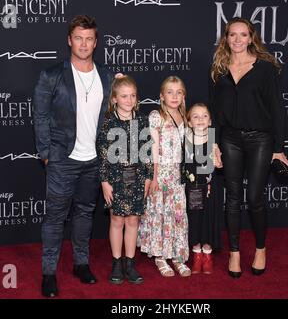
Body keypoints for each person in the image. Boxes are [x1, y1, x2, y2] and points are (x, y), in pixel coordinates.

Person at [33, 15, 112, 297]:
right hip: (62, 159)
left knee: (84, 214)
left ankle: (81, 264)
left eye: (89, 38)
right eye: (78, 38)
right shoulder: (51, 75)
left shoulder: (106, 75)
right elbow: (40, 116)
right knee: (55, 217)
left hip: (93, 160)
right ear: (69, 40)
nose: (83, 43)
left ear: (95, 42)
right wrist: (46, 154)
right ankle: (48, 272)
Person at [209, 17, 288, 278]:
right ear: (226, 38)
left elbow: (277, 110)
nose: (237, 40)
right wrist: (214, 144)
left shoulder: (265, 69)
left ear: (251, 38)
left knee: (255, 197)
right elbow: (215, 112)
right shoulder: (219, 69)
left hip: (260, 139)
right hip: (230, 139)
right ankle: (234, 252)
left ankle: (260, 248)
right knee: (232, 198)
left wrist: (278, 148)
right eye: (232, 35)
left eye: (243, 35)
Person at [97, 75, 153, 285]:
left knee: (133, 221)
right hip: (115, 180)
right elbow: (102, 154)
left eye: (132, 96)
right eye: (124, 96)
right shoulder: (108, 122)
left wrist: (148, 177)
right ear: (114, 99)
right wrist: (104, 181)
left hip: (138, 179)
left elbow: (147, 152)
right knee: (117, 220)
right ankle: (116, 262)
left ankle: (130, 263)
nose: (129, 100)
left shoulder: (142, 120)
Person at [138, 76, 191, 277]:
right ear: (161, 96)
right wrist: (154, 177)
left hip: (179, 176)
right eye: (170, 92)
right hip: (160, 174)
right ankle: (160, 256)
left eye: (179, 92)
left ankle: (177, 256)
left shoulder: (185, 118)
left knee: (177, 215)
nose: (174, 96)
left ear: (184, 96)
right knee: (159, 214)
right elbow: (152, 149)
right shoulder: (156, 116)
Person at [185, 103, 218, 274]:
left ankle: (207, 254)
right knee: (194, 221)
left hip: (209, 190)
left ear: (210, 121)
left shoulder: (213, 139)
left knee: (208, 221)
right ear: (189, 122)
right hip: (191, 190)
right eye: (195, 116)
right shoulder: (185, 138)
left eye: (204, 116)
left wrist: (217, 157)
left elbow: (219, 165)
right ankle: (196, 255)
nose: (200, 119)